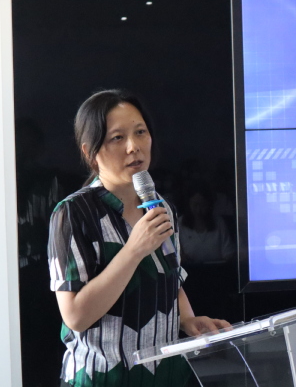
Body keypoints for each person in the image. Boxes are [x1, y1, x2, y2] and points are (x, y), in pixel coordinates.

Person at [47, 89, 230, 387]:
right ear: (90, 151)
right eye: (117, 138)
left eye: (140, 132)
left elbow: (171, 278)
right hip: (104, 379)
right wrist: (133, 250)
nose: (134, 147)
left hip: (166, 377)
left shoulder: (161, 206)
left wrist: (187, 319)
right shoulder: (72, 214)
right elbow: (76, 316)